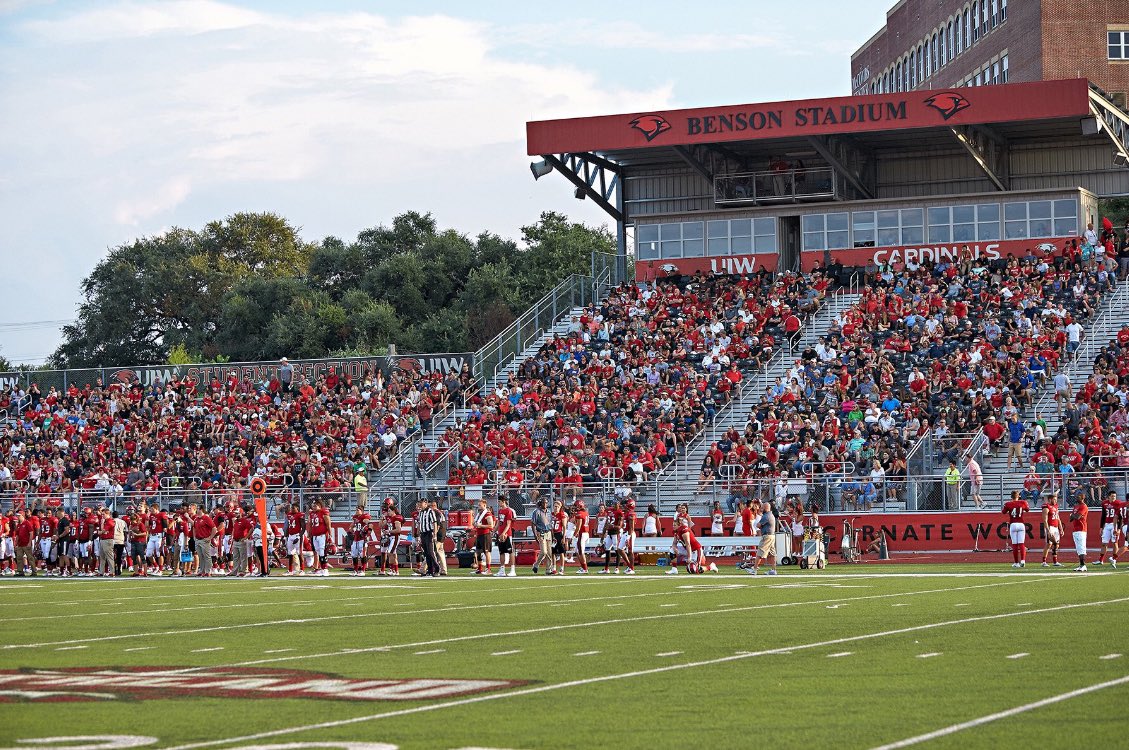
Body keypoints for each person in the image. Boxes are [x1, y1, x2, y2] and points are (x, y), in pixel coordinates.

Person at [1003, 490, 1029, 568]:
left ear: (1011, 496)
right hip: (1021, 524)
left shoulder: (1008, 504)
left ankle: (1016, 563)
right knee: (1021, 544)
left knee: (1014, 544)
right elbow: (1027, 509)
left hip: (1013, 524)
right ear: (1019, 496)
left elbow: (1003, 512)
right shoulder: (1023, 502)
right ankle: (1023, 560)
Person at [751, 499, 778, 576]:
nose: (761, 509)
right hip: (771, 536)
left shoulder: (766, 516)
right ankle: (773, 570)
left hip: (767, 536)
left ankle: (755, 569)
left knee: (760, 552)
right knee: (773, 553)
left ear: (765, 508)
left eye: (762, 508)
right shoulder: (770, 514)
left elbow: (758, 525)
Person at [414, 498, 439, 577]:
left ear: (426, 503)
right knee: (426, 553)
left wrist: (434, 534)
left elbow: (434, 523)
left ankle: (437, 569)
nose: (420, 505)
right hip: (423, 534)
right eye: (420, 503)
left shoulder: (430, 511)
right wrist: (418, 535)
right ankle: (430, 570)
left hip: (429, 533)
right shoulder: (421, 513)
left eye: (422, 503)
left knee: (431, 552)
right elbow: (419, 524)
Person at [306, 499, 331, 576]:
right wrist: (309, 534)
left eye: (315, 505)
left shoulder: (323, 512)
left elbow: (328, 523)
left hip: (322, 535)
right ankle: (321, 568)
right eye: (313, 506)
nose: (313, 507)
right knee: (318, 552)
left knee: (322, 552)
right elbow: (310, 525)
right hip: (314, 536)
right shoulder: (312, 514)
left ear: (320, 506)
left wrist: (330, 534)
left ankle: (325, 569)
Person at [379, 499, 404, 576]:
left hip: (394, 537)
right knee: (392, 553)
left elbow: (399, 529)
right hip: (389, 537)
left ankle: (393, 569)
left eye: (389, 510)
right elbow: (381, 526)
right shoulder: (388, 517)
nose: (387, 511)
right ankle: (395, 570)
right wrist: (382, 519)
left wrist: (389, 531)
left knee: (390, 553)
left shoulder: (397, 517)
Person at [1096, 491, 1120, 568]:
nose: (1114, 498)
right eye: (1112, 496)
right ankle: (1100, 560)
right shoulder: (1104, 503)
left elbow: (1120, 517)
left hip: (1114, 525)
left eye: (1115, 496)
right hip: (1106, 525)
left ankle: (1114, 559)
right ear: (1109, 496)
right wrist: (1101, 527)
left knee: (1114, 543)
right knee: (1104, 543)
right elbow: (1103, 516)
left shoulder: (1118, 503)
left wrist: (1118, 528)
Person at [530, 498, 554, 575]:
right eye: (544, 503)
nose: (545, 504)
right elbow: (533, 523)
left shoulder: (549, 512)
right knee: (544, 551)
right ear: (540, 503)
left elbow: (550, 524)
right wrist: (535, 535)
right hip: (541, 532)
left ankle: (548, 570)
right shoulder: (536, 512)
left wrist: (553, 535)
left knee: (549, 553)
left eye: (546, 503)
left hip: (549, 532)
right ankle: (536, 564)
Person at [494, 496, 517, 577]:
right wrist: (493, 531)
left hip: (507, 534)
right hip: (500, 533)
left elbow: (508, 524)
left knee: (510, 551)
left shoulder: (508, 511)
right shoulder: (500, 511)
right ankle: (502, 570)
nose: (498, 503)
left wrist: (504, 533)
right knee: (502, 552)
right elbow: (498, 523)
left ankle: (512, 570)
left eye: (500, 501)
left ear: (503, 501)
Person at [192, 504, 217, 577]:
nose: (197, 510)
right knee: (200, 556)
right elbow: (194, 528)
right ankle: (201, 570)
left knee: (206, 556)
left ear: (201, 510)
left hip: (204, 540)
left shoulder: (206, 518)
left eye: (198, 509)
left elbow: (214, 528)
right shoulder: (196, 519)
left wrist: (210, 537)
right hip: (198, 540)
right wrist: (194, 537)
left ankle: (208, 570)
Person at [472, 497, 495, 576]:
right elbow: (475, 523)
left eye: (480, 505)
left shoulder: (488, 514)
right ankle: (480, 568)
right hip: (479, 534)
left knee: (486, 551)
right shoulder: (479, 514)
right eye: (478, 505)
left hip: (485, 534)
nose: (478, 506)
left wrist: (481, 525)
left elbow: (491, 525)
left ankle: (488, 569)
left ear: (484, 505)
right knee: (478, 552)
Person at [348, 504, 373, 576]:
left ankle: (363, 570)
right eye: (356, 509)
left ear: (361, 511)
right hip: (356, 538)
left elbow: (370, 524)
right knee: (354, 555)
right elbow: (352, 525)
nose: (356, 511)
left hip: (362, 538)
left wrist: (368, 532)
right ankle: (355, 570)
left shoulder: (364, 517)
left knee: (362, 554)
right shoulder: (355, 518)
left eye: (358, 510)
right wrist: (351, 529)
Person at [1041, 492, 1063, 568]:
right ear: (1050, 499)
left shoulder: (1056, 507)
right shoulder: (1046, 507)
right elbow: (1045, 520)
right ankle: (1044, 561)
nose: (1056, 501)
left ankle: (1055, 561)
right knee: (1049, 544)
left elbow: (1058, 518)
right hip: (1050, 527)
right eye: (1054, 499)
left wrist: (1061, 528)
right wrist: (1048, 530)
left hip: (1056, 527)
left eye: (1056, 499)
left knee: (1056, 544)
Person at [283, 501, 306, 576]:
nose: (291, 509)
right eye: (291, 508)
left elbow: (303, 527)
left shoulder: (300, 515)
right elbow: (288, 526)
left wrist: (299, 536)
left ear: (297, 508)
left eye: (293, 508)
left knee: (299, 553)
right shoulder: (289, 515)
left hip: (297, 535)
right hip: (290, 535)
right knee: (290, 553)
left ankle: (302, 569)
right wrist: (285, 536)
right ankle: (290, 570)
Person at [1070, 496, 1089, 572]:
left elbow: (1077, 517)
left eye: (1078, 497)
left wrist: (1072, 515)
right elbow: (1071, 519)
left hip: (1081, 529)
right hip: (1075, 529)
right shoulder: (1076, 506)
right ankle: (1081, 565)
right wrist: (1072, 516)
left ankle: (1083, 565)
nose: (1076, 498)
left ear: (1082, 498)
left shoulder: (1083, 506)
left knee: (1081, 548)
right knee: (1078, 548)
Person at [572, 500, 590, 575]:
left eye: (576, 506)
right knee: (577, 551)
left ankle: (585, 569)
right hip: (585, 533)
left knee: (581, 552)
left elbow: (578, 526)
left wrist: (573, 535)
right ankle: (583, 567)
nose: (575, 507)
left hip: (582, 534)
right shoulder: (585, 513)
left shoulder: (579, 514)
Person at [431, 499, 448, 576]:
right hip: (442, 534)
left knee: (432, 551)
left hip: (439, 535)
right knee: (440, 552)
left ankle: (422, 568)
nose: (431, 507)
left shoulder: (436, 513)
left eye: (432, 506)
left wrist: (434, 534)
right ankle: (444, 569)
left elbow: (437, 525)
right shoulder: (440, 513)